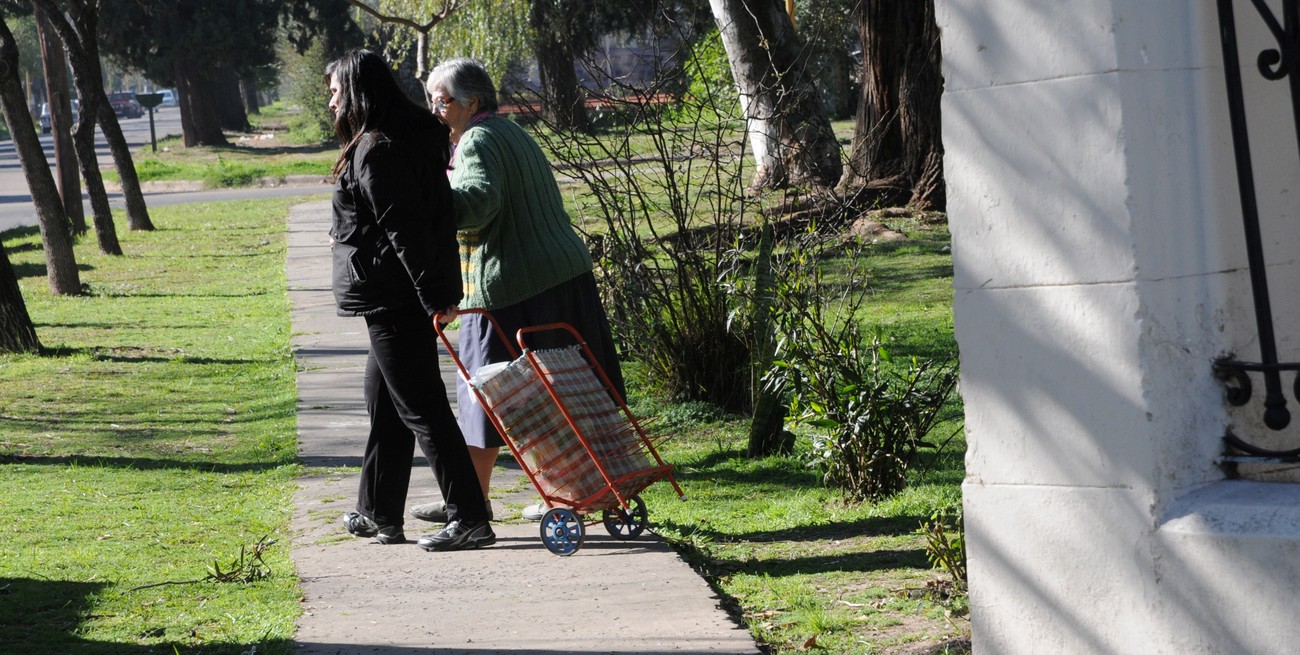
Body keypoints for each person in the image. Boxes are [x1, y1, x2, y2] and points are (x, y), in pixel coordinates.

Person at [410, 58, 626, 523]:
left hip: (511, 285)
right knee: (572, 386)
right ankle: (594, 491)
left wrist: (426, 194)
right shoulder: (511, 132)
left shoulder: (476, 141)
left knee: (482, 392)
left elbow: (479, 205)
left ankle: (470, 500)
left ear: (470, 102)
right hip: (563, 272)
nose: (433, 109)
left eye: (440, 100)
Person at [325, 49, 494, 551]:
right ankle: (379, 512)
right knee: (385, 404)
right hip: (393, 292)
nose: (331, 102)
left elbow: (405, 228)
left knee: (421, 407)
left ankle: (470, 518)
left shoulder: (378, 149)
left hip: (397, 297)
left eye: (335, 91)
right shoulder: (397, 140)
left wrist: (433, 295)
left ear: (356, 91)